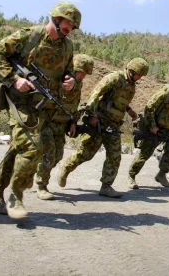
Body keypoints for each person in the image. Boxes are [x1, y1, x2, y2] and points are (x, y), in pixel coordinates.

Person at [0, 2, 81, 219]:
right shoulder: (30, 36)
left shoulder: (67, 47)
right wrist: (13, 79)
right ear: (56, 18)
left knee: (17, 148)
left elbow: (70, 72)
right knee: (32, 148)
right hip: (19, 102)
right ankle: (15, 197)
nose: (71, 28)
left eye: (74, 26)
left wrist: (71, 81)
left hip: (44, 108)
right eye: (69, 23)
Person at [57, 58, 149, 198]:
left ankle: (106, 186)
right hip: (99, 122)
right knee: (86, 154)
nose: (140, 78)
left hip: (113, 126)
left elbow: (117, 100)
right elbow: (96, 94)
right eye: (139, 75)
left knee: (115, 156)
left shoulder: (131, 85)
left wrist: (129, 110)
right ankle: (66, 167)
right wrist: (92, 115)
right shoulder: (115, 77)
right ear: (132, 71)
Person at [35, 54, 94, 200]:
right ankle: (42, 186)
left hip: (62, 125)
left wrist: (73, 122)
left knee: (58, 156)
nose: (84, 76)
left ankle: (36, 169)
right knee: (49, 155)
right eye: (83, 73)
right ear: (76, 69)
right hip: (48, 122)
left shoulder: (79, 83)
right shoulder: (62, 80)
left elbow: (75, 104)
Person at [128, 69, 169, 189]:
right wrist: (153, 126)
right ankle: (131, 176)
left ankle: (162, 174)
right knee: (144, 154)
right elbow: (149, 108)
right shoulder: (166, 92)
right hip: (155, 128)